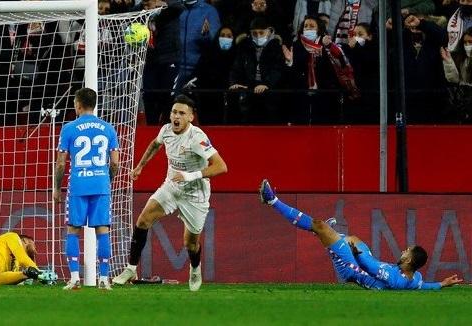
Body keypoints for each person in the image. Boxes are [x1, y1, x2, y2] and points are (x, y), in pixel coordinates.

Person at [258, 179, 464, 290]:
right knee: (354, 238)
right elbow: (424, 286)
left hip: (353, 269)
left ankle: (272, 201)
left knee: (319, 226)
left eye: (406, 251)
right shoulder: (415, 278)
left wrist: (358, 253)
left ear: (409, 259)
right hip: (361, 264)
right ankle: (333, 234)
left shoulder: (395, 279)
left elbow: (369, 266)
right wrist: (442, 284)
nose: (403, 250)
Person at [113, 95, 228, 291]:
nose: (176, 116)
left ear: (191, 117)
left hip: (195, 195)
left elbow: (221, 166)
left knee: (190, 244)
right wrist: (140, 167)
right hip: (172, 187)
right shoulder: (166, 130)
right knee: (143, 220)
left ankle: (194, 268)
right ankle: (131, 268)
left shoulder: (197, 137)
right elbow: (155, 144)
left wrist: (190, 176)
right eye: (174, 112)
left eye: (182, 113)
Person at [53, 88, 120, 290]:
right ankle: (104, 278)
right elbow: (115, 163)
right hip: (100, 185)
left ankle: (74, 278)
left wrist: (57, 187)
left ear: (78, 104)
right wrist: (106, 181)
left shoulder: (69, 128)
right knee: (103, 230)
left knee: (73, 229)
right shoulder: (108, 128)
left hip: (78, 186)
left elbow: (61, 163)